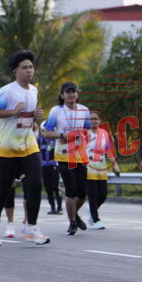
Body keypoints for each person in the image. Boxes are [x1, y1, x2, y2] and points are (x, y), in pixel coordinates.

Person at [0, 51, 49, 246]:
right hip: (8, 147)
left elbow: (29, 118)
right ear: (15, 71)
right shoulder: (7, 91)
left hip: (29, 145)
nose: (29, 71)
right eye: (24, 68)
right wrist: (12, 111)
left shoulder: (34, 91)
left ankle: (32, 226)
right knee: (4, 187)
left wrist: (37, 116)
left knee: (36, 184)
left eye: (31, 67)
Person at [43, 81, 91, 236]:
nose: (71, 95)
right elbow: (46, 132)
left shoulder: (84, 110)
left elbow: (87, 131)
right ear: (62, 95)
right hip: (63, 155)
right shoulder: (56, 111)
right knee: (71, 191)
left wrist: (84, 136)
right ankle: (72, 223)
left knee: (82, 193)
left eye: (73, 92)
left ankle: (74, 214)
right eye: (68, 92)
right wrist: (63, 135)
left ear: (77, 94)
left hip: (80, 155)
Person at [86, 110, 120, 229]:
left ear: (99, 120)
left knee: (103, 195)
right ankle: (95, 220)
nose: (93, 121)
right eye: (91, 119)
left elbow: (109, 151)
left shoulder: (104, 133)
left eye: (95, 119)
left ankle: (92, 210)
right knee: (93, 195)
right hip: (88, 168)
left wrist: (115, 166)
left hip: (101, 169)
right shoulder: (84, 134)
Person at [38, 132, 62, 215]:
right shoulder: (40, 140)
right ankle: (52, 208)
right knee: (48, 188)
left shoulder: (56, 140)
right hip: (44, 166)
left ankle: (59, 207)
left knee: (56, 187)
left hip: (54, 166)